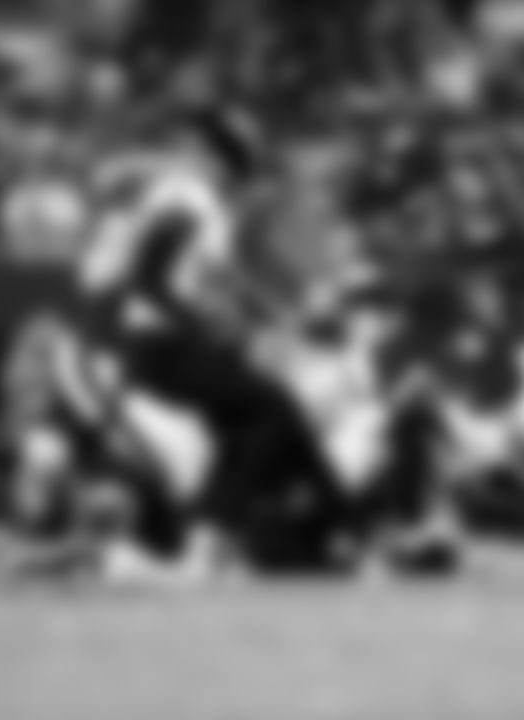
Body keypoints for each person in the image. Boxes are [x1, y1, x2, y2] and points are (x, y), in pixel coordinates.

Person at [73, 107, 352, 575]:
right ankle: (311, 528)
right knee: (274, 410)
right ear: (223, 161)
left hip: (162, 342)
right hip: (162, 345)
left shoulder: (195, 201)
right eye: (237, 163)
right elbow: (149, 281)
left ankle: (219, 539)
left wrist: (282, 320)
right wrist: (206, 327)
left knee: (251, 426)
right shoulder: (190, 201)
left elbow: (219, 282)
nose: (239, 176)